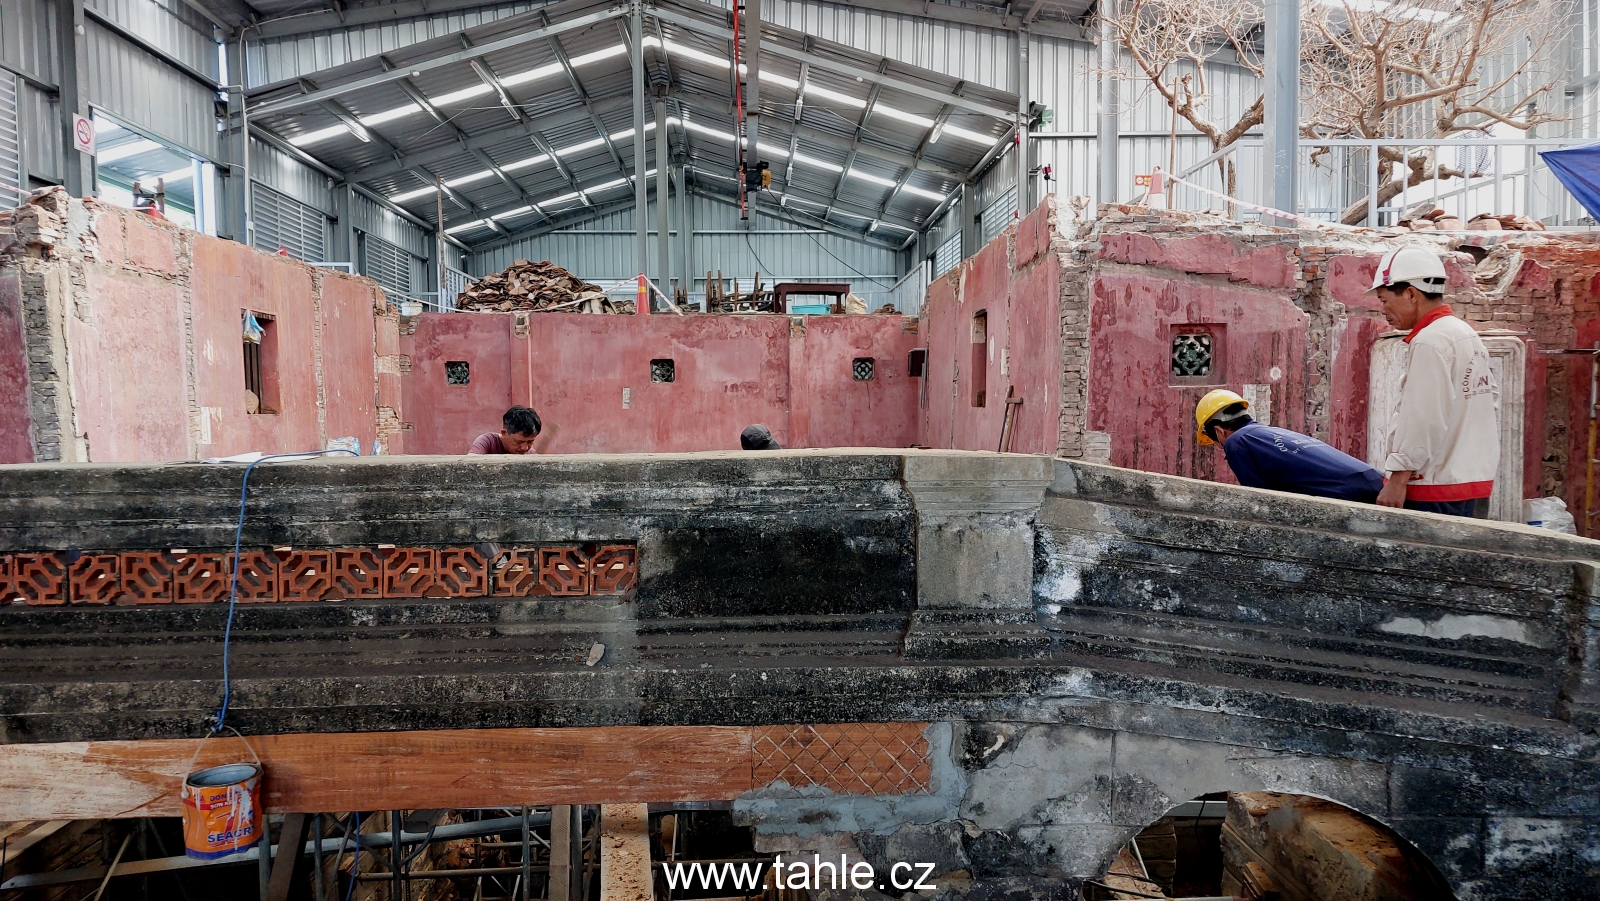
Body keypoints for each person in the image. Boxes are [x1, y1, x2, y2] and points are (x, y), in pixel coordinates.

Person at [1367, 246, 1499, 517]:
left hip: (1434, 486)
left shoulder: (1429, 341)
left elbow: (1423, 417)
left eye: (1384, 299)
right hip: (1466, 481)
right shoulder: (1464, 333)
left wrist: (1398, 480)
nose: (1383, 309)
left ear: (1411, 294)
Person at [1196, 390, 1385, 502]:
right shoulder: (1270, 433)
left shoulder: (1236, 441)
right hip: (1376, 482)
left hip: (1351, 495)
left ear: (1219, 432)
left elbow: (1260, 501)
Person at [469, 405, 544, 454]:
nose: (525, 448)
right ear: (504, 433)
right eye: (519, 442)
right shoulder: (487, 442)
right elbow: (470, 462)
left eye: (530, 442)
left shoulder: (529, 454)